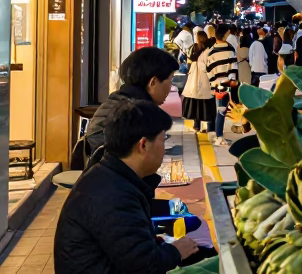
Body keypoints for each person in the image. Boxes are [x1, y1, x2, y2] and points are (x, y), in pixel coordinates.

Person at [55, 99, 201, 273]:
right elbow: (143, 266)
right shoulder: (114, 196)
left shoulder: (108, 176)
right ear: (143, 145)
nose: (164, 148)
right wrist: (176, 251)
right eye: (163, 140)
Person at [84, 47, 180, 158]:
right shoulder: (133, 113)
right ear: (153, 82)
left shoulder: (117, 101)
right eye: (170, 80)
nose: (171, 86)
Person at [205, 24, 239, 147]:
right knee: (222, 111)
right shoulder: (230, 50)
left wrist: (213, 84)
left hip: (215, 85)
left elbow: (209, 70)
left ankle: (216, 134)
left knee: (218, 110)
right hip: (226, 84)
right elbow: (233, 68)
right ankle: (219, 137)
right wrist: (231, 81)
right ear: (225, 34)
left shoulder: (211, 51)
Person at [182, 33, 215, 134]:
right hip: (205, 77)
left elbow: (189, 58)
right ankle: (207, 126)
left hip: (194, 76)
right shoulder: (209, 48)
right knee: (205, 100)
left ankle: (196, 125)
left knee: (195, 100)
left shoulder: (194, 48)